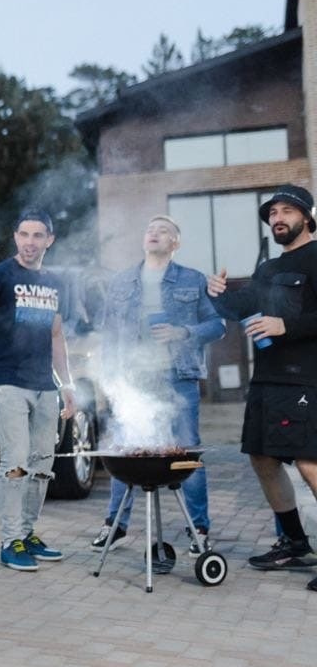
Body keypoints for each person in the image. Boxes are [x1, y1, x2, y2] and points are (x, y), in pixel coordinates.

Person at [91, 215, 224, 556]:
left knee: (187, 452)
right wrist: (108, 382)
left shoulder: (193, 280)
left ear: (175, 243)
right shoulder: (122, 282)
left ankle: (199, 530)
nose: (154, 233)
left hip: (178, 378)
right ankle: (115, 526)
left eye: (163, 230)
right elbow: (108, 335)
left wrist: (183, 333)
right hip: (135, 381)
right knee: (127, 447)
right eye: (150, 229)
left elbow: (216, 326)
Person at [207, 184, 317, 590]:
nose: (278, 217)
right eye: (273, 212)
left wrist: (286, 325)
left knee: (309, 463)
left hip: (307, 378)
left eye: (287, 210)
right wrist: (215, 294)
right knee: (262, 458)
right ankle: (294, 542)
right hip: (269, 378)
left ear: (306, 217)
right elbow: (242, 308)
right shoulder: (269, 268)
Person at [0, 209, 75, 572]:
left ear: (49, 240)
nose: (30, 242)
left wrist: (66, 383)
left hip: (44, 387)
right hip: (7, 383)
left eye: (38, 236)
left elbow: (56, 335)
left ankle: (28, 533)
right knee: (16, 463)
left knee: (42, 465)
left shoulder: (56, 283)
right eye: (24, 234)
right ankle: (10, 541)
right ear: (15, 237)